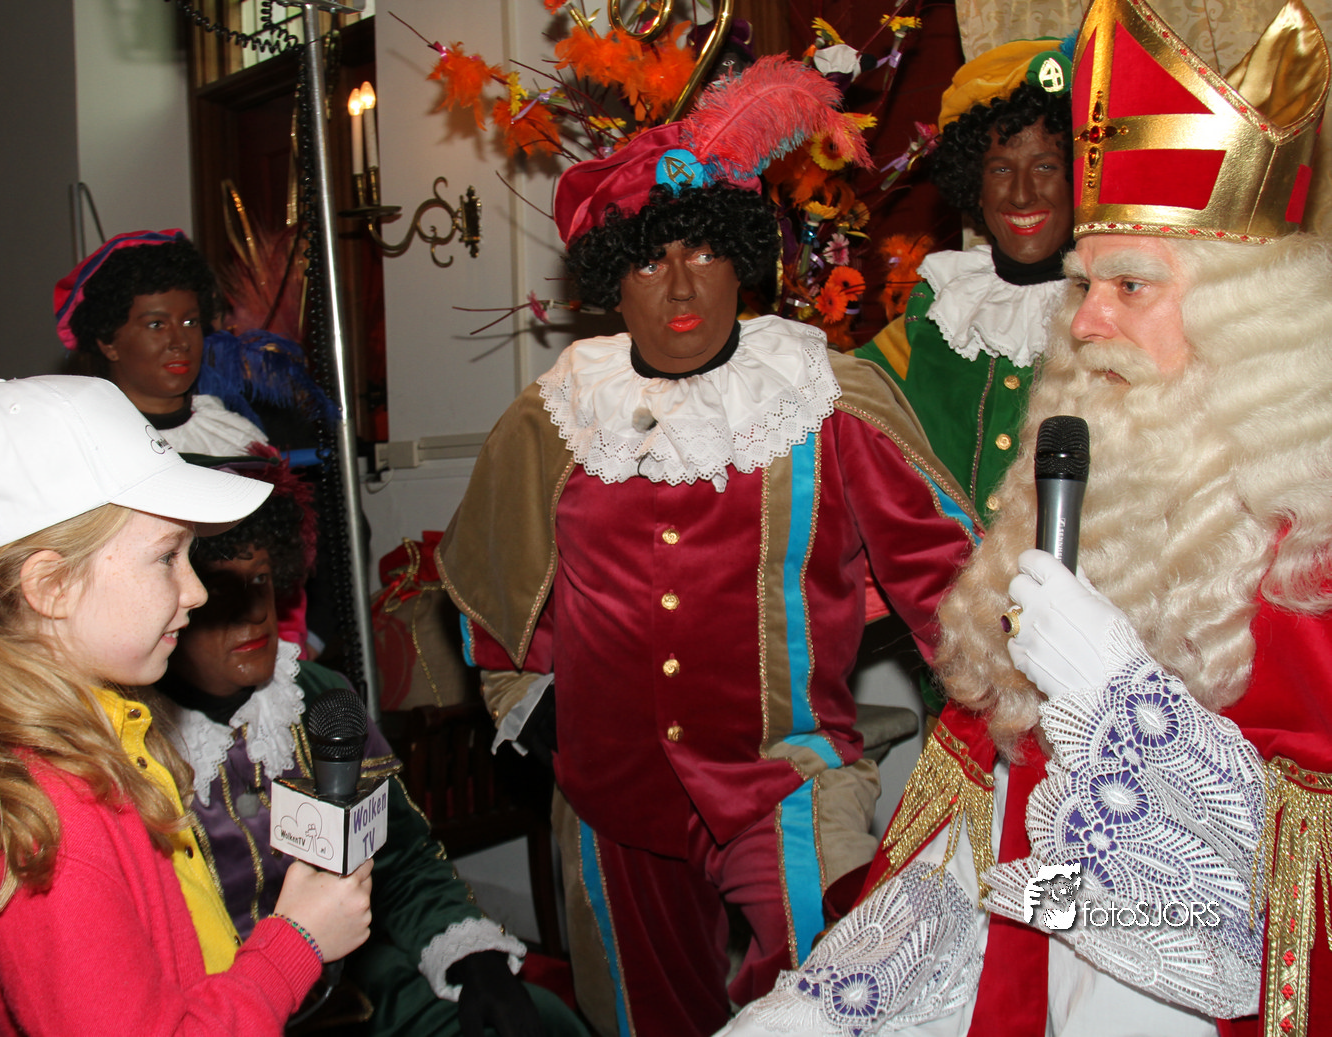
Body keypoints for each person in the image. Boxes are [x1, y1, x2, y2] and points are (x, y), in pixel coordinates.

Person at [720, 0, 1331, 1033]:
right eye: (1084, 283)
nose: (1083, 320)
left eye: (1129, 285)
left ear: (1250, 325)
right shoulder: (1067, 520)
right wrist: (830, 1001)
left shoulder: (1309, 559)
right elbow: (983, 852)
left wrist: (1120, 697)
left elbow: (1263, 942)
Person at [436, 57, 978, 1037]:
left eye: (703, 252)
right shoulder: (554, 418)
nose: (679, 285)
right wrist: (529, 700)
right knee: (642, 1016)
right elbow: (489, 580)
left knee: (838, 996)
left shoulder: (826, 399)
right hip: (609, 799)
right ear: (612, 279)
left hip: (786, 780)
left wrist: (1021, 717)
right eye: (649, 261)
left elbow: (951, 574)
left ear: (741, 259)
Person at [0, 374, 374, 1036]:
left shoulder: (107, 737)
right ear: (51, 585)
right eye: (167, 557)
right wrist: (295, 943)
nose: (196, 590)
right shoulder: (48, 818)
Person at [154, 460, 586, 1036]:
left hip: (351, 986)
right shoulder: (125, 737)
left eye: (261, 582)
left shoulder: (317, 697)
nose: (256, 613)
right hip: (212, 1005)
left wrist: (474, 960)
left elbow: (400, 861)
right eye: (222, 592)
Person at [854, 40, 1074, 521]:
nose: (1022, 194)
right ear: (974, 182)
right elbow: (840, 395)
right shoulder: (937, 305)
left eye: (1045, 166)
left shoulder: (1115, 310)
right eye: (1001, 169)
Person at [56, 229, 269, 457]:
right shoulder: (82, 445)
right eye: (157, 325)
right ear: (108, 341)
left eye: (190, 322)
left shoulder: (234, 438)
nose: (181, 342)